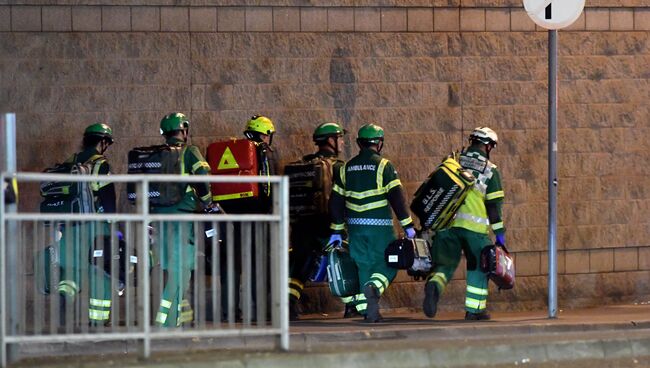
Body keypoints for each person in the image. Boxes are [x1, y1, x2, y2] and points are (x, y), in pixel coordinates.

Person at [328, 123, 415, 323]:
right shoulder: (384, 166)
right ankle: (375, 288)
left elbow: (335, 201)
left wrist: (336, 229)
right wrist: (408, 226)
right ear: (380, 143)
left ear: (359, 143)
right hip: (380, 228)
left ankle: (368, 311)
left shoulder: (346, 167)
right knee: (389, 263)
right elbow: (397, 198)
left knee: (363, 265)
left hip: (355, 229)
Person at [423, 126, 505, 321]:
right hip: (474, 230)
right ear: (487, 146)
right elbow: (493, 207)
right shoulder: (489, 170)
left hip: (446, 225)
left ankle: (435, 283)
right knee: (478, 266)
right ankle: (474, 310)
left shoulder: (452, 160)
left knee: (444, 264)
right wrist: (500, 234)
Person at [153, 112, 213, 327]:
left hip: (158, 219)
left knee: (175, 271)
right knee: (180, 272)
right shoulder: (190, 152)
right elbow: (203, 181)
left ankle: (182, 320)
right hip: (181, 219)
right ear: (184, 130)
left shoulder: (156, 154)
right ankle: (164, 323)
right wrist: (208, 202)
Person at [56, 123, 117, 326]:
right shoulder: (100, 163)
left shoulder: (70, 161)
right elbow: (108, 198)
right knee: (100, 273)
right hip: (94, 227)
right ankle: (97, 322)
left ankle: (65, 294)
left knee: (73, 270)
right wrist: (113, 226)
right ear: (102, 142)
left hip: (69, 226)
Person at [287, 122, 347, 320]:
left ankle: (288, 302)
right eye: (339, 138)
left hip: (300, 224)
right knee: (343, 259)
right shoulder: (338, 167)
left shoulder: (304, 164)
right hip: (326, 223)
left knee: (301, 264)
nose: (342, 142)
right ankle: (355, 304)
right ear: (331, 141)